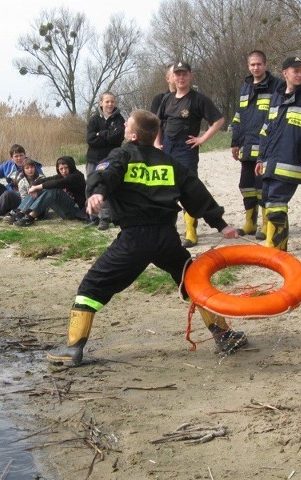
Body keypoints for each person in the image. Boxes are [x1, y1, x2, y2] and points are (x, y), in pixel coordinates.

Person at [46, 110, 246, 367]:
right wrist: (221, 225)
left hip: (134, 239)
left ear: (132, 134)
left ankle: (72, 349)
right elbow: (196, 193)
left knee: (90, 288)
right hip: (167, 238)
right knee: (192, 283)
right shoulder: (169, 162)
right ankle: (225, 336)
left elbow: (104, 173)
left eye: (126, 126)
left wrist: (96, 193)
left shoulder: (122, 154)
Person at [155, 61, 226, 248]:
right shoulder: (166, 99)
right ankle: (168, 230)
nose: (180, 78)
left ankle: (191, 232)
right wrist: (156, 143)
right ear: (172, 77)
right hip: (167, 149)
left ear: (190, 76)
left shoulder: (198, 99)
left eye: (184, 74)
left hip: (186, 151)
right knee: (167, 190)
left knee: (189, 190)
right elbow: (156, 123)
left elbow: (219, 120)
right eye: (177, 74)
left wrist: (203, 139)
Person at [255, 56, 301, 251]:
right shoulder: (276, 97)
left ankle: (277, 249)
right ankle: (276, 245)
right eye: (296, 71)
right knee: (268, 201)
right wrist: (260, 158)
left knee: (276, 204)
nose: (300, 74)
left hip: (291, 162)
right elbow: (265, 131)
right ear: (285, 73)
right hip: (270, 162)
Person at [231, 50, 282, 240]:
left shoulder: (277, 86)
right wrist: (235, 142)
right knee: (245, 184)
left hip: (266, 145)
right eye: (252, 64)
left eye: (259, 64)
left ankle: (265, 223)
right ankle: (250, 222)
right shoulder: (245, 87)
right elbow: (238, 116)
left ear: (265, 65)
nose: (256, 68)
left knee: (262, 186)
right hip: (246, 144)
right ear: (248, 66)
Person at [85, 91, 125, 230]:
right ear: (101, 103)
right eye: (107, 101)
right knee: (90, 186)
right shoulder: (94, 120)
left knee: (105, 187)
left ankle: (105, 218)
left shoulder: (119, 119)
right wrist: (107, 135)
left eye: (112, 101)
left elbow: (118, 137)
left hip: (109, 160)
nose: (110, 104)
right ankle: (93, 217)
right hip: (93, 158)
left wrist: (100, 134)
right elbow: (90, 139)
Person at [13, 156, 86, 227]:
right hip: (65, 210)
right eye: (61, 169)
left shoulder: (77, 177)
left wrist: (37, 187)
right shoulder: (62, 175)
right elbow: (46, 180)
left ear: (71, 166)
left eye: (66, 168)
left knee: (54, 190)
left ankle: (30, 217)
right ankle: (21, 212)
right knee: (45, 187)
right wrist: (34, 186)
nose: (64, 171)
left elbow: (57, 183)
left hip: (76, 211)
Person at [0, 157, 44, 223]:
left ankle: (10, 213)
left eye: (32, 167)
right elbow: (23, 198)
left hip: (38, 207)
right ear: (23, 170)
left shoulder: (41, 178)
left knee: (31, 195)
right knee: (8, 194)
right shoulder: (22, 181)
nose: (30, 170)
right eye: (27, 168)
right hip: (24, 203)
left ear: (35, 168)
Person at [150, 64, 176, 136]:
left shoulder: (192, 99)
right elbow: (154, 124)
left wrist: (201, 139)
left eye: (181, 74)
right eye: (175, 74)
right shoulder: (159, 99)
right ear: (167, 78)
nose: (179, 77)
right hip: (163, 142)